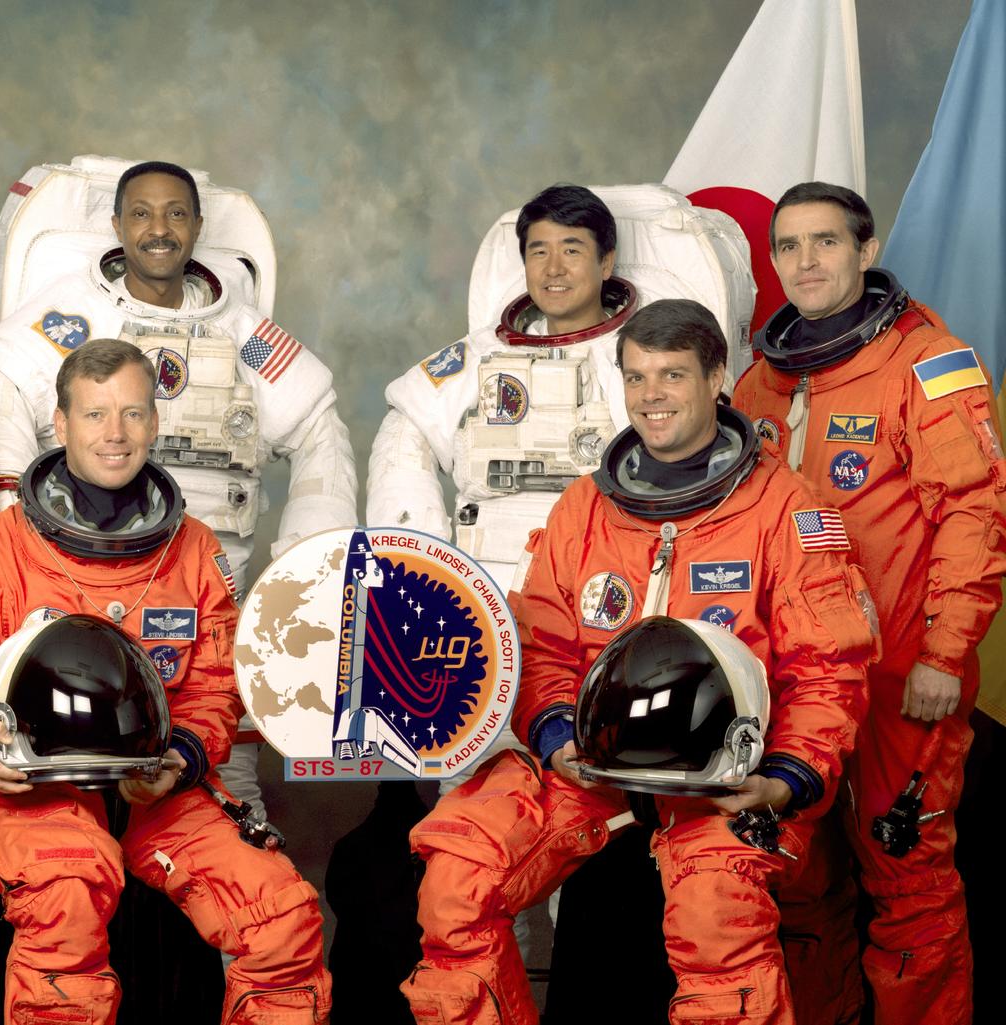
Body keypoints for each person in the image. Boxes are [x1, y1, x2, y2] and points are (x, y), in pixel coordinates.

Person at [401, 299, 875, 1025]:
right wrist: (558, 737)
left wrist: (785, 778)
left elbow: (828, 667)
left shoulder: (786, 508)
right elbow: (549, 646)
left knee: (716, 912)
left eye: (672, 375)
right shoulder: (586, 507)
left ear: (719, 376)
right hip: (596, 768)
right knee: (458, 875)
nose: (651, 396)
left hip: (726, 777)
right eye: (636, 376)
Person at [0, 339, 330, 1025]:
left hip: (155, 783)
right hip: (36, 784)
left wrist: (183, 755)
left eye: (133, 413)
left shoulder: (192, 548)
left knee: (282, 916)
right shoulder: (0, 543)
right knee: (67, 898)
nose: (115, 433)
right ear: (61, 422)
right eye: (96, 414)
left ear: (156, 423)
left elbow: (215, 687)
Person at [0, 159, 357, 819]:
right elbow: (2, 426)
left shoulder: (243, 334)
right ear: (116, 227)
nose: (160, 229)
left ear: (197, 227)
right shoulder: (67, 318)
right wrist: (25, 566)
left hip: (211, 598)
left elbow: (321, 425)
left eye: (176, 213)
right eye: (142, 214)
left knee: (222, 789)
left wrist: (307, 568)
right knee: (70, 812)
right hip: (78, 604)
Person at [733, 182, 1006, 1025]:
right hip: (792, 684)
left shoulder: (926, 363)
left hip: (897, 674)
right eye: (788, 246)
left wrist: (944, 654)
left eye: (824, 242)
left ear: (866, 247)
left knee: (906, 878)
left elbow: (975, 513)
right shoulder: (759, 385)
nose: (805, 262)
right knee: (800, 883)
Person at [367, 184, 633, 593]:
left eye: (572, 250)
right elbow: (406, 429)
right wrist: (417, 568)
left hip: (602, 573)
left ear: (606, 263)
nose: (553, 269)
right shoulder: (483, 352)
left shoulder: (642, 355)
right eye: (539, 252)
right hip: (484, 580)